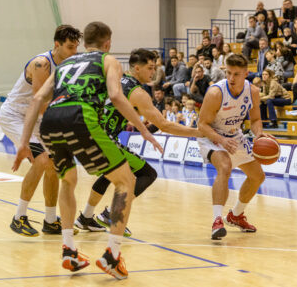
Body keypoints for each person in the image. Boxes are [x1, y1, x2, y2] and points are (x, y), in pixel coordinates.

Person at [12, 21, 163, 279]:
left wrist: (25, 141)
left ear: (84, 43)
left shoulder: (66, 64)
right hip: (81, 116)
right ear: (108, 43)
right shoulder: (108, 60)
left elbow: (37, 99)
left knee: (68, 181)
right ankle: (112, 256)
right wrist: (144, 129)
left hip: (50, 121)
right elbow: (116, 96)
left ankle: (69, 251)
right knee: (126, 181)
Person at [74, 48, 202, 234]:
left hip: (87, 134)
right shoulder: (137, 92)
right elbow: (164, 125)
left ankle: (85, 217)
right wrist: (199, 133)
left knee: (112, 173)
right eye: (150, 68)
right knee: (147, 174)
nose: (153, 72)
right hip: (103, 139)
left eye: (154, 67)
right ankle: (111, 214)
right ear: (136, 68)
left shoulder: (115, 79)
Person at [0, 25, 82, 237]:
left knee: (53, 165)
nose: (74, 51)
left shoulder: (69, 65)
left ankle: (51, 220)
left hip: (37, 118)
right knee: (43, 160)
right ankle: (19, 217)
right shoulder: (41, 63)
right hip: (16, 115)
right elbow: (40, 101)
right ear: (57, 45)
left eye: (76, 47)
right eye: (70, 47)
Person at [197, 54, 270, 240]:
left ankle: (235, 215)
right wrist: (220, 140)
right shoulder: (215, 93)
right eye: (228, 73)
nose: (231, 78)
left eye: (236, 74)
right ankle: (216, 220)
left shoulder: (252, 91)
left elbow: (255, 119)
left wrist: (259, 134)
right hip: (211, 135)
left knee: (257, 176)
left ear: (246, 73)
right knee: (225, 166)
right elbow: (202, 125)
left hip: (233, 135)